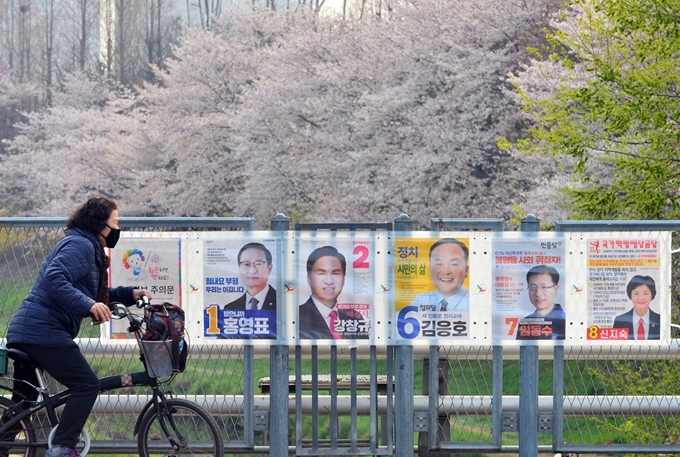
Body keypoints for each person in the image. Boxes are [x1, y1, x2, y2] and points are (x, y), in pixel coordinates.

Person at [5, 196, 152, 457]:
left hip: (32, 329)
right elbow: (55, 279)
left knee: (22, 405)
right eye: (115, 223)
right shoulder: (81, 246)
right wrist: (87, 305)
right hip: (43, 331)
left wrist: (130, 294)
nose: (118, 229)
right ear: (99, 223)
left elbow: (95, 292)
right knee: (86, 385)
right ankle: (62, 447)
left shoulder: (88, 246)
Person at [299, 246, 368, 339]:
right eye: (321, 273)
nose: (329, 281)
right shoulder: (298, 317)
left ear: (343, 279)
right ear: (309, 279)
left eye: (335, 273)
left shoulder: (355, 318)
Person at [409, 238, 469, 312]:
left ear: (466, 270)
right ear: (430, 269)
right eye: (439, 264)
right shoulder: (421, 300)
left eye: (454, 264)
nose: (446, 271)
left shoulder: (474, 301)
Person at [516, 264, 565, 340]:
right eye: (533, 287)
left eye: (544, 287)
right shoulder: (525, 323)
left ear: (556, 290)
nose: (538, 294)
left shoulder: (566, 321)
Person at [224, 242, 277, 311]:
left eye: (258, 264)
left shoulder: (282, 302)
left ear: (269, 269)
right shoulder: (230, 308)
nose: (252, 271)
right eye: (246, 264)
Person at [612, 275, 660, 340]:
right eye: (636, 293)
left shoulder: (660, 320)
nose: (641, 298)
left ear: (652, 295)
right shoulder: (620, 321)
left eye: (645, 293)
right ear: (630, 295)